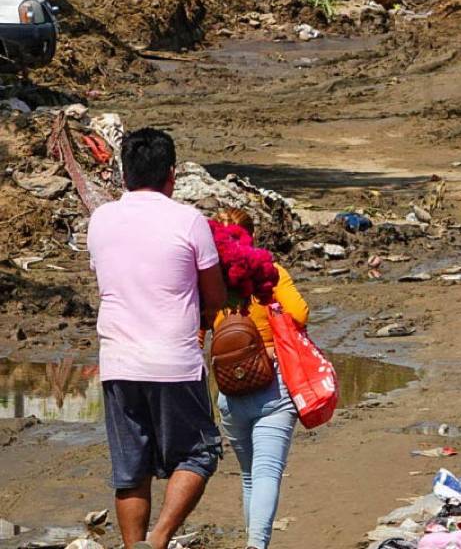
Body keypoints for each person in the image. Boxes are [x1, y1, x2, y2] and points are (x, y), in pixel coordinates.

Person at [87, 128, 227, 549]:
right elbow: (215, 297)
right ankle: (159, 539)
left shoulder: (100, 220)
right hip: (174, 362)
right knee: (199, 453)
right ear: (172, 175)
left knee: (131, 470)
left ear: (124, 174)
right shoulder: (189, 220)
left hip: (118, 361)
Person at [210, 208, 310, 549]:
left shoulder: (211, 283)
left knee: (250, 476)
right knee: (268, 472)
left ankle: (255, 542)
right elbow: (300, 313)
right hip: (272, 385)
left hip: (229, 391)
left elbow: (196, 329)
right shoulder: (271, 273)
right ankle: (256, 546)